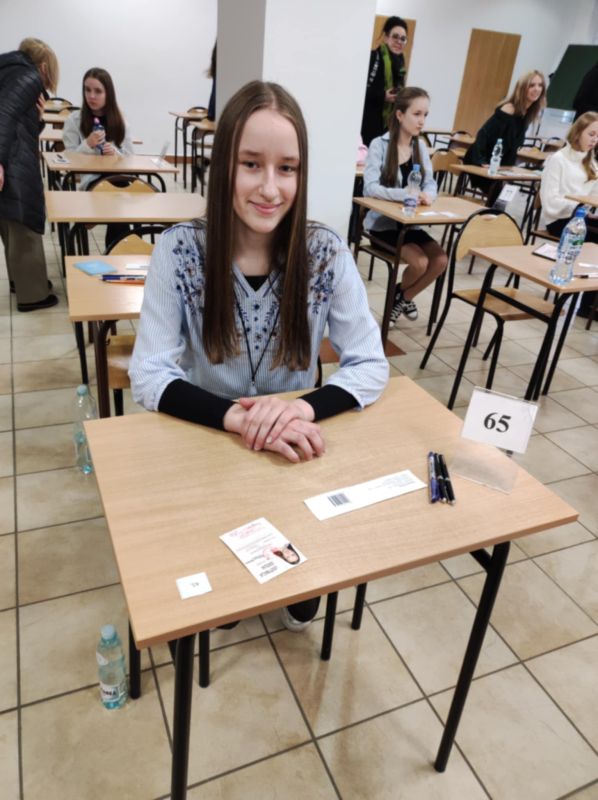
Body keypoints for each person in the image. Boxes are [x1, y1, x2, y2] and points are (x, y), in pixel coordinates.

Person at [129, 80, 388, 631]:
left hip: (296, 446)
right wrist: (239, 418)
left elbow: (370, 363)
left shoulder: (324, 252)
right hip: (210, 437)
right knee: (222, 602)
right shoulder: (179, 250)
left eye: (287, 168)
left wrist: (298, 410)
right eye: (251, 164)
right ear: (224, 164)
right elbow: (149, 374)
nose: (270, 188)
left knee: (300, 588)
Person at [363, 86, 448, 328]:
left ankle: (401, 298)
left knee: (440, 261)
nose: (422, 121)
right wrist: (406, 194)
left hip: (410, 223)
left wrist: (428, 195)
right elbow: (370, 187)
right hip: (383, 224)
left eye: (425, 115)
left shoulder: (419, 147)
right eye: (417, 114)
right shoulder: (379, 145)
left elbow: (430, 182)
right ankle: (402, 299)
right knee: (420, 263)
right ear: (400, 115)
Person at [0, 37, 59, 311]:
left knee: (10, 223)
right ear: (44, 66)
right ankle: (33, 295)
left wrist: (38, 118)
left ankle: (19, 282)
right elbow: (4, 117)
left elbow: (18, 124)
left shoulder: (8, 71)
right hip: (14, 162)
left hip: (10, 159)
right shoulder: (29, 76)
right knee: (25, 226)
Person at [63, 67, 134, 249]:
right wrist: (87, 144)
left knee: (120, 197)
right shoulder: (74, 120)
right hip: (92, 183)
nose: (91, 96)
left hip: (119, 181)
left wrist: (114, 153)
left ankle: (116, 251)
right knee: (119, 202)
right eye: (87, 90)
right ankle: (118, 253)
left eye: (98, 91)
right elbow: (68, 159)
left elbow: (130, 158)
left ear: (108, 94)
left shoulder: (120, 120)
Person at [540, 111, 598, 316]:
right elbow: (550, 201)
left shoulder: (591, 162)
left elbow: (594, 196)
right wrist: (579, 206)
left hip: (582, 216)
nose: (595, 140)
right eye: (591, 134)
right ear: (578, 132)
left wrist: (590, 210)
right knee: (594, 238)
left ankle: (592, 302)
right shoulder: (558, 159)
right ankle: (588, 304)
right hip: (559, 219)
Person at [464, 70, 546, 202]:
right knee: (499, 192)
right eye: (532, 85)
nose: (537, 89)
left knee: (506, 192)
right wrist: (482, 161)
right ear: (522, 88)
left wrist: (510, 168)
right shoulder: (509, 108)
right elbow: (483, 134)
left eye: (540, 85)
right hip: (480, 159)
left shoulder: (528, 113)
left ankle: (494, 212)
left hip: (500, 164)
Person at [360, 16, 409, 146]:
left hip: (388, 126)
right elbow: (358, 90)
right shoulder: (373, 57)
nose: (399, 41)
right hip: (367, 124)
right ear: (386, 37)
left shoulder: (400, 66)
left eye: (403, 39)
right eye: (395, 36)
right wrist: (383, 96)